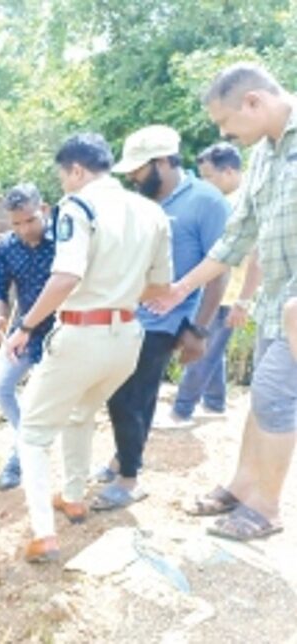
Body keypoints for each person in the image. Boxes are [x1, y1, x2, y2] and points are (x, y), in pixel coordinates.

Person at [3, 132, 172, 562]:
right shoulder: (152, 211)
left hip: (81, 334)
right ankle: (73, 496)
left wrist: (25, 326)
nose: (63, 185)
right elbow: (159, 286)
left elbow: (66, 276)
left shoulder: (78, 207)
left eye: (63, 177)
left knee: (33, 435)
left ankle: (44, 535)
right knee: (81, 413)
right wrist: (119, 291)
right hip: (128, 337)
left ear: (76, 170)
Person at [148, 62, 297, 541]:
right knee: (260, 400)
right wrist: (180, 287)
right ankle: (243, 485)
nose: (223, 135)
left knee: (275, 394)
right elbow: (238, 235)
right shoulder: (265, 155)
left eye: (225, 122)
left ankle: (266, 508)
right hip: (276, 301)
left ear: (253, 101)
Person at [92, 125, 231, 511]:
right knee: (125, 392)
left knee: (131, 395)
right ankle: (123, 458)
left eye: (139, 169)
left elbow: (219, 270)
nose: (133, 177)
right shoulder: (142, 202)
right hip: (128, 311)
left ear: (164, 162)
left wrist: (198, 328)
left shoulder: (206, 202)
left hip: (169, 317)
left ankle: (129, 480)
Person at [158, 143, 249, 427]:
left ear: (229, 171)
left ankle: (182, 410)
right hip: (218, 287)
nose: (204, 183)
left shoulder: (239, 204)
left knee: (203, 348)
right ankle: (214, 402)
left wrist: (244, 299)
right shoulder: (225, 199)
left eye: (209, 176)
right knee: (213, 344)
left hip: (229, 290)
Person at [0, 183, 55, 491]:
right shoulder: (6, 246)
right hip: (26, 332)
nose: (25, 229)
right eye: (17, 223)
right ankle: (25, 443)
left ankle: (20, 458)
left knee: (38, 399)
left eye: (30, 220)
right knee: (0, 388)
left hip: (64, 331)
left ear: (44, 210)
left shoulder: (65, 242)